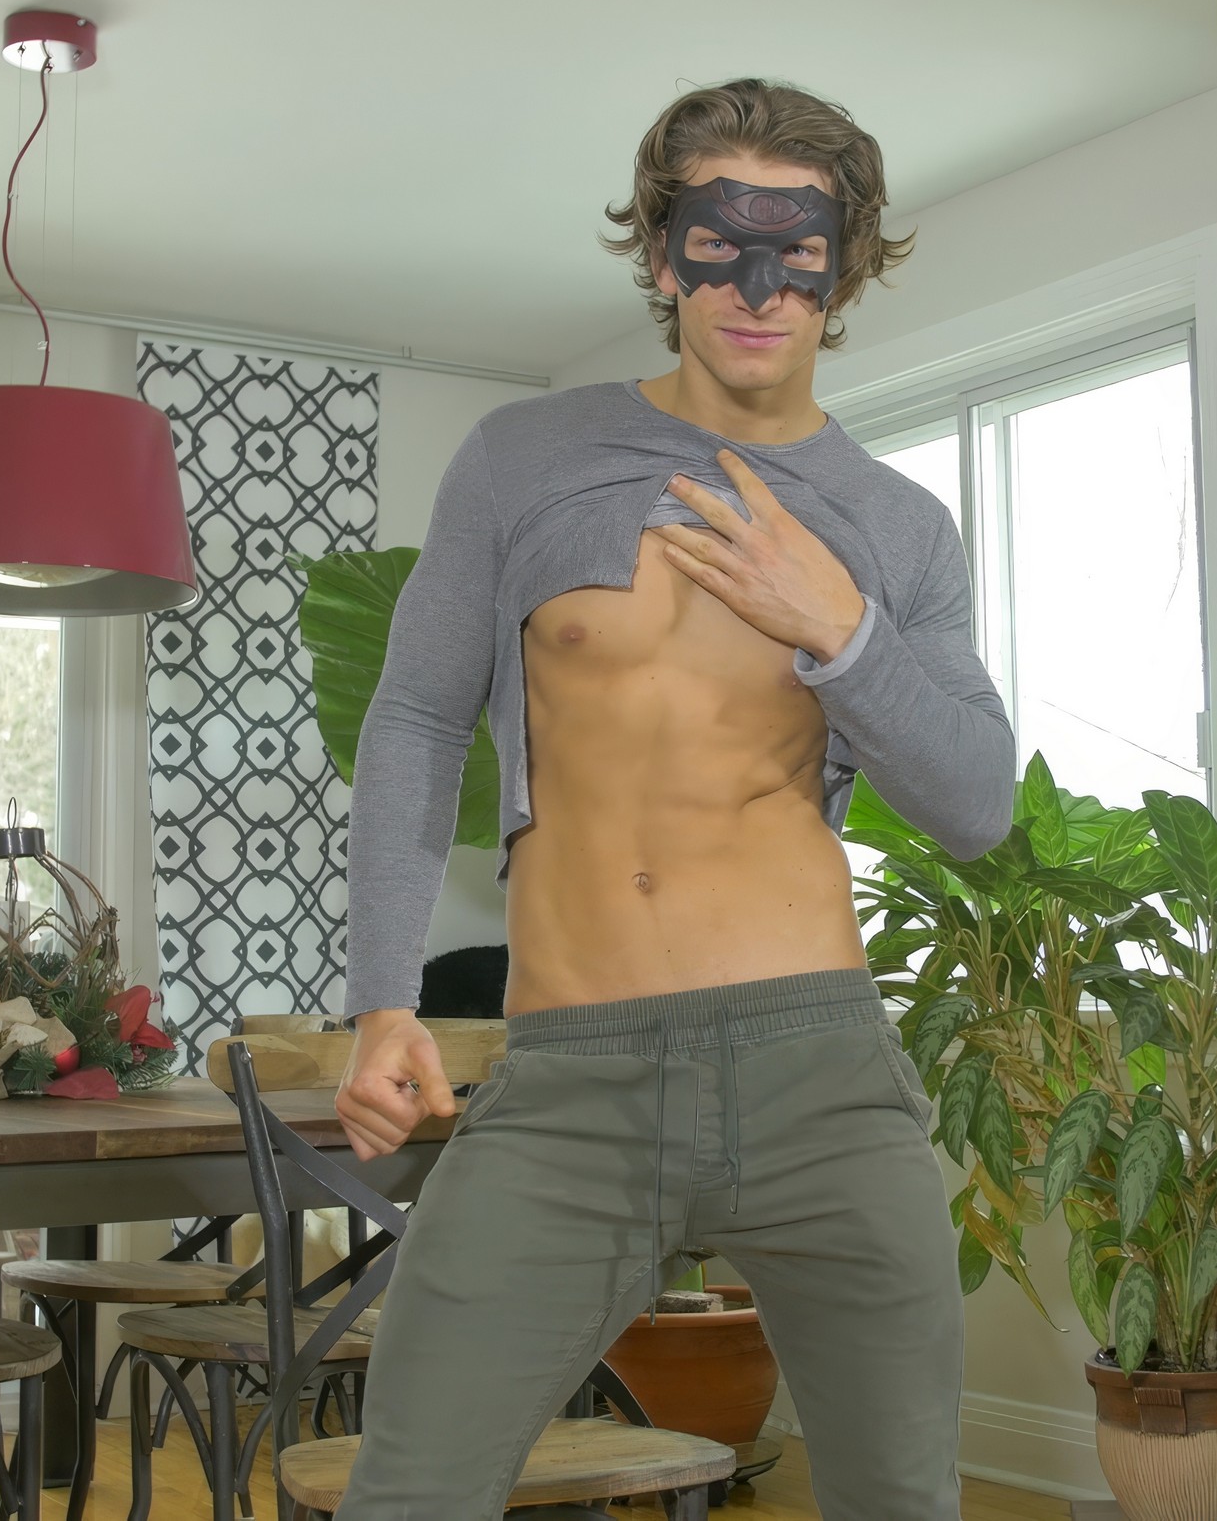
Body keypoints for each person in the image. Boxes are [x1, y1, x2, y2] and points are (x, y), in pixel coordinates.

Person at [327, 77, 1015, 1519]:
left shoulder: (898, 531)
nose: (759, 292)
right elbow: (415, 717)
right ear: (661, 256)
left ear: (846, 268)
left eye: (799, 253)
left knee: (903, 1502)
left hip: (819, 1073)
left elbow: (977, 805)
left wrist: (841, 628)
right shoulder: (526, 461)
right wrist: (384, 1000)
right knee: (411, 1489)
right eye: (720, 247)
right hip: (572, 1081)